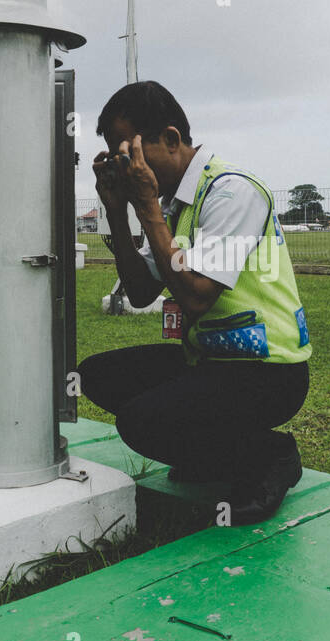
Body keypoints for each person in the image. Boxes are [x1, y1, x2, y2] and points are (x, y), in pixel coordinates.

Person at [77, 81, 312, 525]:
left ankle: (271, 455)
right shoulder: (176, 204)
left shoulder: (232, 191)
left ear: (170, 138)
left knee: (141, 421)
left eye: (131, 154)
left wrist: (148, 208)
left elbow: (197, 297)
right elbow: (141, 292)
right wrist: (117, 211)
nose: (128, 168)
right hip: (210, 362)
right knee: (98, 376)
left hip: (269, 371)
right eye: (119, 159)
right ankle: (213, 454)